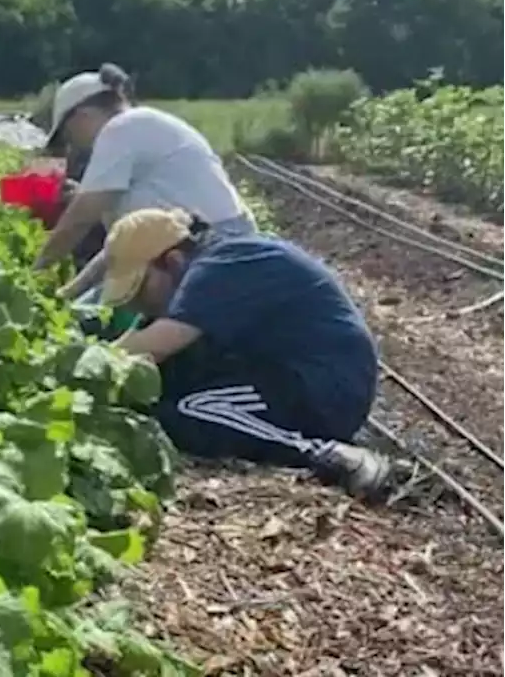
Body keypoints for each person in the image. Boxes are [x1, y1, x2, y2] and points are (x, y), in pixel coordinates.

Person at [98, 207, 398, 499]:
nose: (136, 304)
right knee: (166, 390)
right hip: (283, 371)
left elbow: (155, 347)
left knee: (189, 411)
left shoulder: (219, 268)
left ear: (173, 261)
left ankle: (324, 453)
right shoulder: (212, 262)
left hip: (325, 388)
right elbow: (139, 340)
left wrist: (82, 367)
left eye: (139, 290)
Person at [32, 63, 256, 303]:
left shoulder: (119, 129)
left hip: (210, 249)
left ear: (81, 117)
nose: (72, 144)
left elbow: (79, 220)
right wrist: (68, 295)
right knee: (89, 314)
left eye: (68, 134)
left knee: (106, 320)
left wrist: (34, 275)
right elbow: (120, 248)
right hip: (215, 244)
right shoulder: (143, 125)